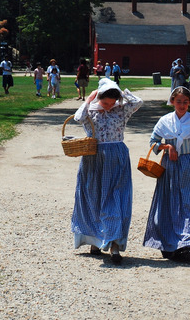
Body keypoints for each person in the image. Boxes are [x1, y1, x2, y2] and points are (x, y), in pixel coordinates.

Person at [72, 78, 143, 264]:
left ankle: (114, 246)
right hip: (94, 158)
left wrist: (122, 92)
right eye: (105, 102)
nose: (109, 106)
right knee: (93, 197)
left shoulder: (121, 111)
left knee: (116, 199)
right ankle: (95, 241)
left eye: (112, 103)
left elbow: (138, 102)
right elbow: (78, 117)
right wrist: (89, 99)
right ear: (98, 98)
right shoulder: (91, 111)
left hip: (117, 157)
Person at [144, 86, 190, 261]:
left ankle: (188, 243)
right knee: (170, 203)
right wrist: (167, 146)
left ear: (189, 103)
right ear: (172, 102)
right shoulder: (165, 121)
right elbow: (153, 142)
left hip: (189, 164)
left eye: (185, 102)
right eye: (178, 102)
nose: (182, 105)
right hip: (170, 167)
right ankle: (170, 244)